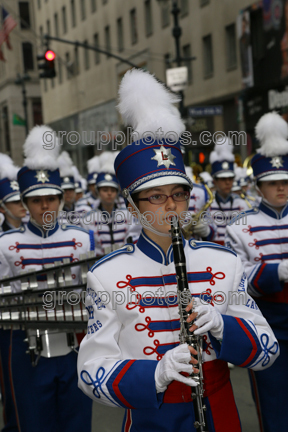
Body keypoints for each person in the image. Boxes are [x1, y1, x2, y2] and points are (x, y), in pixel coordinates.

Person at [77, 69, 279, 432]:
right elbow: (90, 372)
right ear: (133, 204)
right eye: (156, 196)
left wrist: (222, 328)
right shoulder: (106, 276)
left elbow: (268, 350)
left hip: (219, 412)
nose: (171, 206)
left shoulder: (223, 261)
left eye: (179, 194)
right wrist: (155, 373)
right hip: (149, 418)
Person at [0, 125, 94, 432]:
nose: (45, 206)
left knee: (76, 420)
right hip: (25, 346)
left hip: (75, 343)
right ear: (26, 203)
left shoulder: (83, 239)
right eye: (37, 200)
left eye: (51, 198)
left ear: (61, 199)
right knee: (33, 422)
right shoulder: (4, 244)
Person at [225, 112, 288, 432]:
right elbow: (236, 283)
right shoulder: (240, 227)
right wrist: (277, 271)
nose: (281, 188)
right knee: (274, 407)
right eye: (273, 183)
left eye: (285, 181)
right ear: (258, 186)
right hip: (268, 326)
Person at [0, 154, 26, 432]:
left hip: (35, 321)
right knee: (12, 389)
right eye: (15, 202)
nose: (22, 207)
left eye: (23, 201)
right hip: (8, 321)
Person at [81, 161, 141, 255]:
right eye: (105, 190)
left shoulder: (128, 213)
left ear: (117, 192)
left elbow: (134, 237)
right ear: (98, 192)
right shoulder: (88, 218)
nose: (109, 193)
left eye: (113, 190)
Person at [209, 140, 250, 245]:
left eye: (230, 178)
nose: (228, 182)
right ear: (215, 181)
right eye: (223, 179)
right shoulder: (208, 205)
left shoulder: (242, 204)